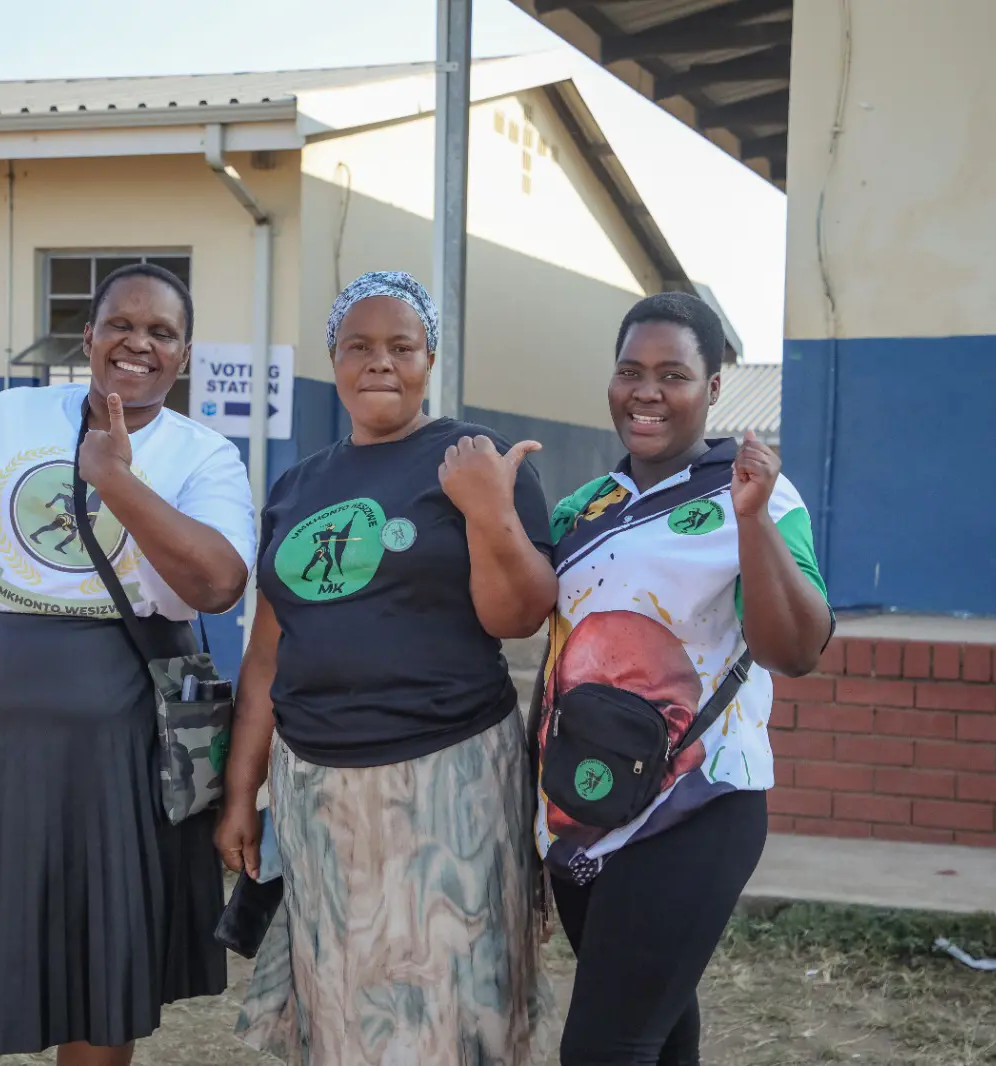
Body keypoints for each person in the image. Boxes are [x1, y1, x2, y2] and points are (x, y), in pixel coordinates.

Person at [0, 263, 255, 1065]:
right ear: (88, 336)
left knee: (102, 957)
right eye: (121, 325)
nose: (138, 344)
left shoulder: (204, 455)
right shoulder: (3, 418)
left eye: (161, 333)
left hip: (120, 730)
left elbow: (217, 585)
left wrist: (115, 480)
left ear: (183, 355)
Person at [222, 271, 557, 1065]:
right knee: (341, 1006)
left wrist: (488, 510)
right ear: (334, 361)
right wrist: (242, 790)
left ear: (429, 358)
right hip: (317, 790)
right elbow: (266, 652)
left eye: (401, 347)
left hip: (448, 781)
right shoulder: (299, 486)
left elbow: (518, 616)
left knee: (450, 1006)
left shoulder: (476, 459)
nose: (380, 362)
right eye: (359, 347)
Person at [535, 292, 834, 1065]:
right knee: (660, 1038)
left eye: (673, 374)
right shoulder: (582, 508)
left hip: (696, 808)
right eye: (630, 371)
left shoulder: (756, 494)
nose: (647, 392)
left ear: (714, 387)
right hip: (584, 802)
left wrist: (752, 519)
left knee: (604, 1049)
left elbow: (796, 649)